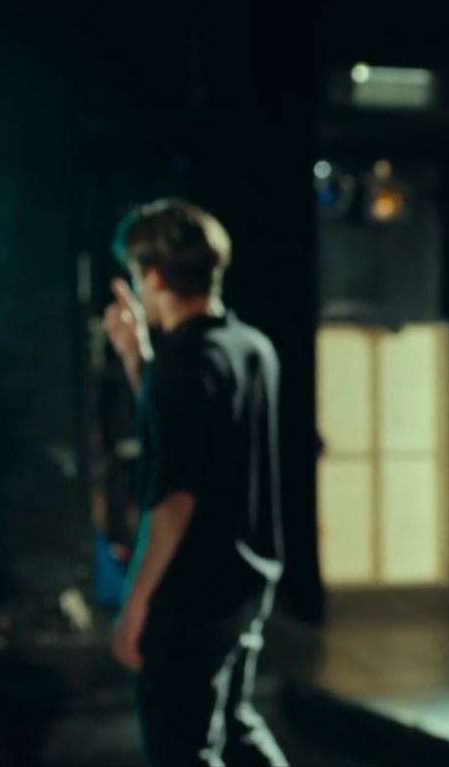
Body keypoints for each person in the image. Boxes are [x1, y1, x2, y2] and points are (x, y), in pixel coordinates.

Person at [103, 198, 289, 767]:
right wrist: (138, 360)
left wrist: (136, 602)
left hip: (192, 591)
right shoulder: (250, 347)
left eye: (138, 275)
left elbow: (175, 495)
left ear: (155, 276)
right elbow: (190, 436)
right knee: (234, 724)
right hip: (246, 580)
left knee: (182, 748)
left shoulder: (183, 365)